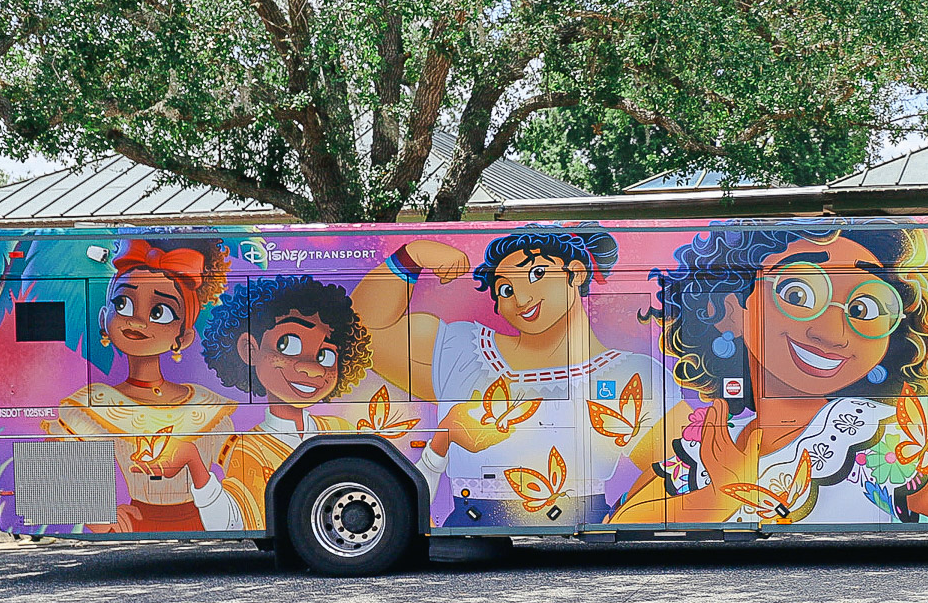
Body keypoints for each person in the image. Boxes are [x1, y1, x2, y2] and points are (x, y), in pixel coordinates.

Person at [610, 224, 928, 525]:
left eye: (864, 309)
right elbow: (625, 520)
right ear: (727, 309)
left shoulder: (869, 431)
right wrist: (720, 492)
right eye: (797, 293)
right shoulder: (714, 435)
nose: (832, 332)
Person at [350, 225, 659, 526]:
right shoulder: (462, 350)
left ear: (575, 273)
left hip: (588, 514)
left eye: (536, 274)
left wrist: (623, 517)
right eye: (506, 290)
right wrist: (409, 257)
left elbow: (671, 463)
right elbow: (364, 333)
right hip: (468, 519)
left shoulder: (632, 373)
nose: (521, 299)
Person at [50, 237, 236, 533]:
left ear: (183, 337)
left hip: (203, 519)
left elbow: (243, 484)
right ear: (104, 319)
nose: (136, 321)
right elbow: (57, 474)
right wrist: (98, 515)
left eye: (159, 311)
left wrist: (194, 463)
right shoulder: (90, 405)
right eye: (122, 304)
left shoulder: (207, 407)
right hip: (134, 523)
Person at [175, 275, 376, 530]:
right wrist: (195, 463)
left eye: (325, 355)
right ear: (249, 350)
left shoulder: (340, 429)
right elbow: (231, 524)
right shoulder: (248, 447)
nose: (312, 369)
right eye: (288, 344)